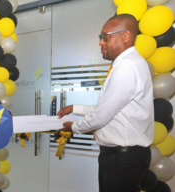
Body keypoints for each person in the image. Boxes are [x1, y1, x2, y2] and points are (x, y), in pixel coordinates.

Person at [57, 14, 154, 192]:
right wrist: (74, 108)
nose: (101, 43)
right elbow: (106, 109)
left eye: (105, 37)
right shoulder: (125, 64)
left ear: (125, 36)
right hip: (121, 157)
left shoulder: (127, 66)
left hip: (123, 158)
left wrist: (74, 127)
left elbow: (101, 115)